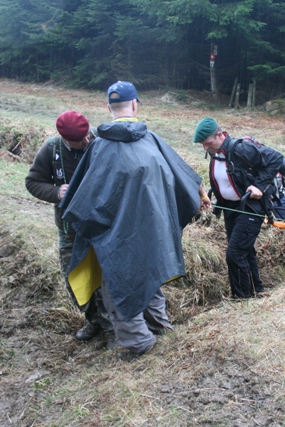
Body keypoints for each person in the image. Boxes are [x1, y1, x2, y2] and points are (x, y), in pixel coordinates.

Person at [59, 81, 206, 358]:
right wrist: (200, 195)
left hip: (116, 238)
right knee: (148, 275)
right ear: (135, 105)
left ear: (108, 108)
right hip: (152, 231)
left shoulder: (99, 148)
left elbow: (81, 198)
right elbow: (183, 175)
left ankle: (139, 342)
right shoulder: (152, 141)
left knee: (117, 286)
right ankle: (160, 327)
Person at [25, 110, 111, 341]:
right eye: (79, 141)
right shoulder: (51, 150)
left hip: (103, 226)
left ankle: (113, 327)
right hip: (70, 229)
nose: (85, 142)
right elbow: (33, 182)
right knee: (75, 277)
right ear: (63, 138)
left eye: (86, 136)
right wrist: (56, 192)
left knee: (107, 276)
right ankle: (94, 321)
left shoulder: (101, 143)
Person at [193, 117, 283, 299]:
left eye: (207, 143)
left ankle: (241, 298)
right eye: (202, 144)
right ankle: (256, 290)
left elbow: (276, 158)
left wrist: (259, 185)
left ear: (219, 135)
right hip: (231, 208)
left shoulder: (240, 148)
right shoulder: (215, 152)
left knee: (234, 254)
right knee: (245, 251)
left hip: (250, 207)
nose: (205, 148)